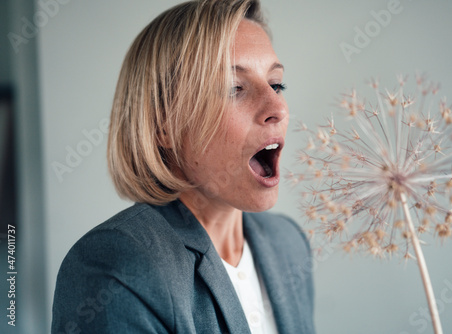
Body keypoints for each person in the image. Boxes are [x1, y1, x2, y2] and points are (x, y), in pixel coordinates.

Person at [51, 0, 315, 333]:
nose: (277, 106)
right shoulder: (117, 263)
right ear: (164, 123)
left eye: (277, 84)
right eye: (235, 88)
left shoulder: (289, 244)